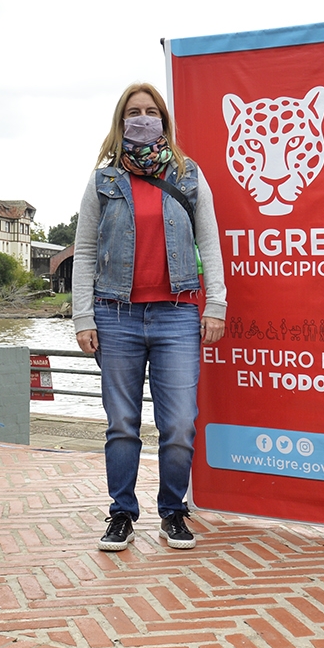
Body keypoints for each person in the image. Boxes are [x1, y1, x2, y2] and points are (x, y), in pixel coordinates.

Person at [72, 83, 227, 551]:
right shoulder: (103, 181)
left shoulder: (188, 176)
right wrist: (83, 317)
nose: (143, 118)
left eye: (151, 111)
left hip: (177, 315)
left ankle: (173, 511)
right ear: (122, 122)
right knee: (122, 423)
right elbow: (83, 252)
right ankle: (121, 513)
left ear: (164, 119)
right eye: (134, 112)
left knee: (179, 423)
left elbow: (210, 243)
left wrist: (215, 304)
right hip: (115, 316)